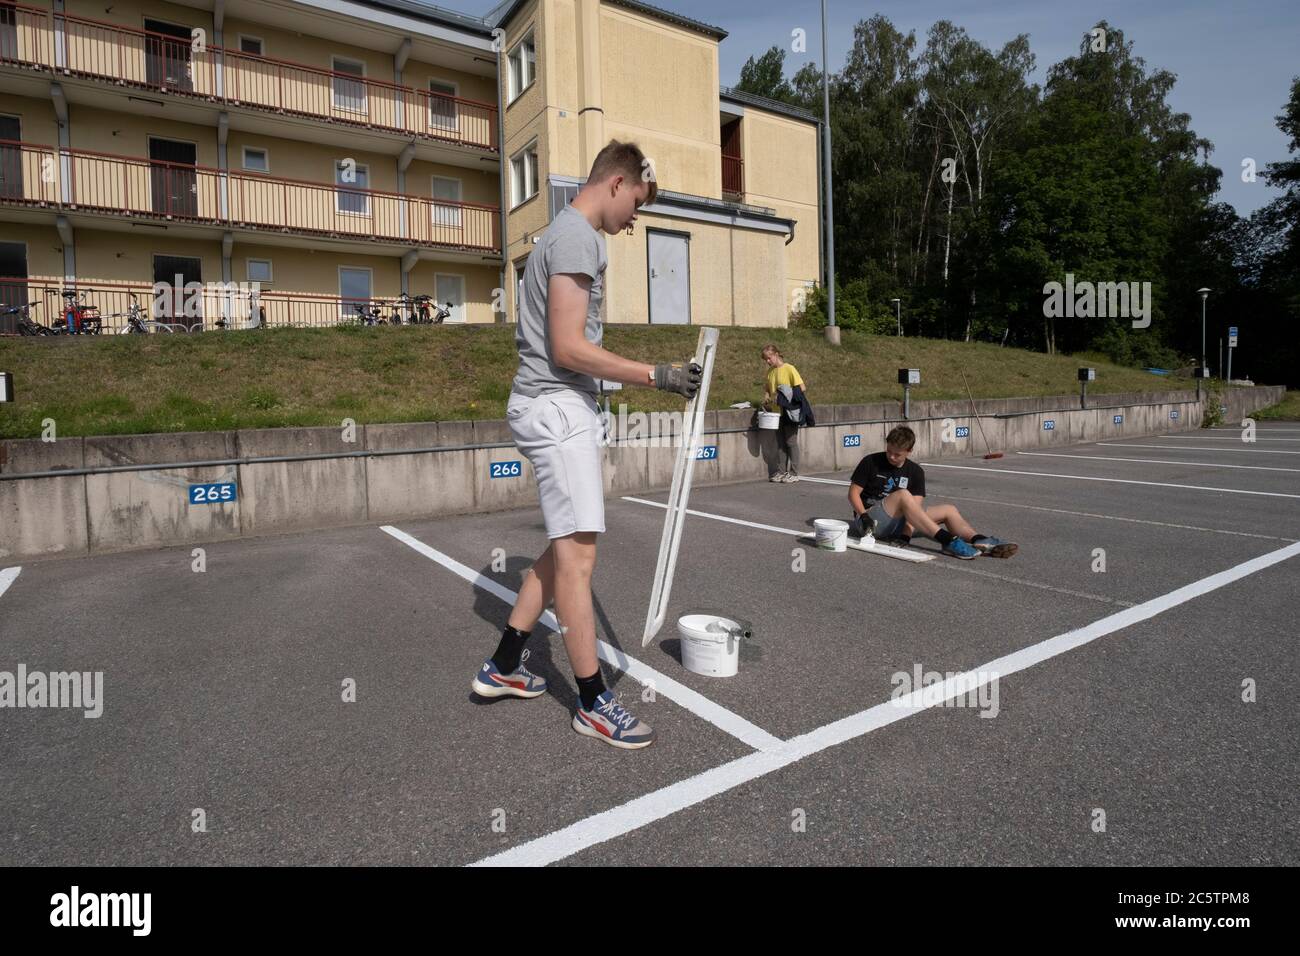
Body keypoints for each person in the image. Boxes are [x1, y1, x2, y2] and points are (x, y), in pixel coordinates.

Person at [469, 140, 702, 750]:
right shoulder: (577, 237)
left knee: (558, 552)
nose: (634, 223)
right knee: (579, 559)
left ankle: (503, 665)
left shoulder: (563, 234)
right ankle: (593, 702)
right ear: (618, 182)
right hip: (557, 406)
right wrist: (658, 375)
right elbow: (569, 348)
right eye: (638, 207)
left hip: (550, 404)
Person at [847, 425, 1018, 559]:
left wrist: (905, 536)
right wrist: (863, 515)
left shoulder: (915, 472)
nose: (891, 457)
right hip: (870, 521)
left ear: (909, 451)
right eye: (889, 451)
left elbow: (914, 509)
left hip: (899, 523)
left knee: (948, 509)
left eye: (897, 454)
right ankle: (947, 540)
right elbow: (853, 493)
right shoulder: (871, 461)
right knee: (903, 494)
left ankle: (979, 540)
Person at [761, 345, 812, 482]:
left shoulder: (789, 368)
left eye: (769, 358)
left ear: (776, 354)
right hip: (776, 413)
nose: (767, 361)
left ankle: (794, 474)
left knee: (791, 442)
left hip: (790, 411)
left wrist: (784, 394)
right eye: (765, 359)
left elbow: (802, 388)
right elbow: (767, 387)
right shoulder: (771, 372)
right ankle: (782, 472)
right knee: (780, 443)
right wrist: (766, 396)